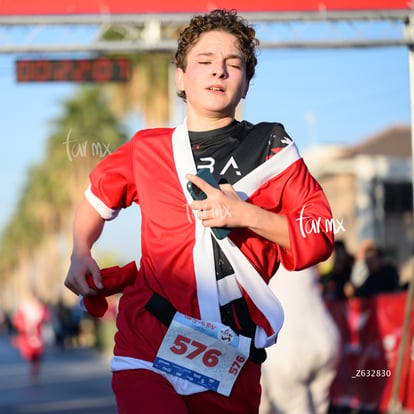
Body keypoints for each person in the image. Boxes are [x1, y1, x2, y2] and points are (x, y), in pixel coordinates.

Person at [64, 9, 334, 414]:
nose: (218, 72)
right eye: (204, 62)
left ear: (247, 82)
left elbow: (320, 232)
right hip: (149, 334)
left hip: (229, 352)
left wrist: (245, 215)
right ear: (180, 77)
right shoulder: (147, 148)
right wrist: (81, 250)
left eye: (233, 64)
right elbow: (95, 199)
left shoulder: (273, 149)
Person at [260, 266, 340, 414]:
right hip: (324, 335)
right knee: (319, 407)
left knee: (293, 407)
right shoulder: (303, 253)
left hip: (287, 347)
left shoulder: (263, 257)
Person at [11, 290, 50, 381]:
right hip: (28, 336)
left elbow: (47, 318)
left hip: (39, 335)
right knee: (31, 355)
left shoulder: (41, 308)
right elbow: (17, 321)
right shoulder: (25, 308)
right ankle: (33, 371)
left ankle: (35, 371)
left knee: (38, 355)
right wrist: (25, 327)